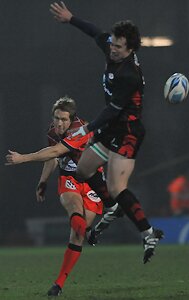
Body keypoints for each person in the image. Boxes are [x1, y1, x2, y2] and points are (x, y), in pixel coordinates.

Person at [49, 2, 164, 263]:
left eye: (118, 47)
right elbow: (94, 32)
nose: (112, 49)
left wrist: (87, 129)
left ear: (130, 49)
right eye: (112, 43)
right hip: (112, 128)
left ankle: (148, 233)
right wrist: (71, 18)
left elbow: (112, 110)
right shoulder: (112, 48)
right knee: (82, 170)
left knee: (117, 186)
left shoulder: (130, 75)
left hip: (128, 132)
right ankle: (112, 208)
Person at [6, 95, 117, 297]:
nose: (59, 123)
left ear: (72, 119)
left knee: (83, 229)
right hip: (70, 180)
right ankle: (58, 284)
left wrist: (22, 158)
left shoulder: (79, 130)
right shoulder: (53, 131)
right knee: (77, 226)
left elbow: (56, 150)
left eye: (64, 119)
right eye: (56, 118)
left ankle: (92, 230)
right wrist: (43, 181)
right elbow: (53, 156)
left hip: (92, 181)